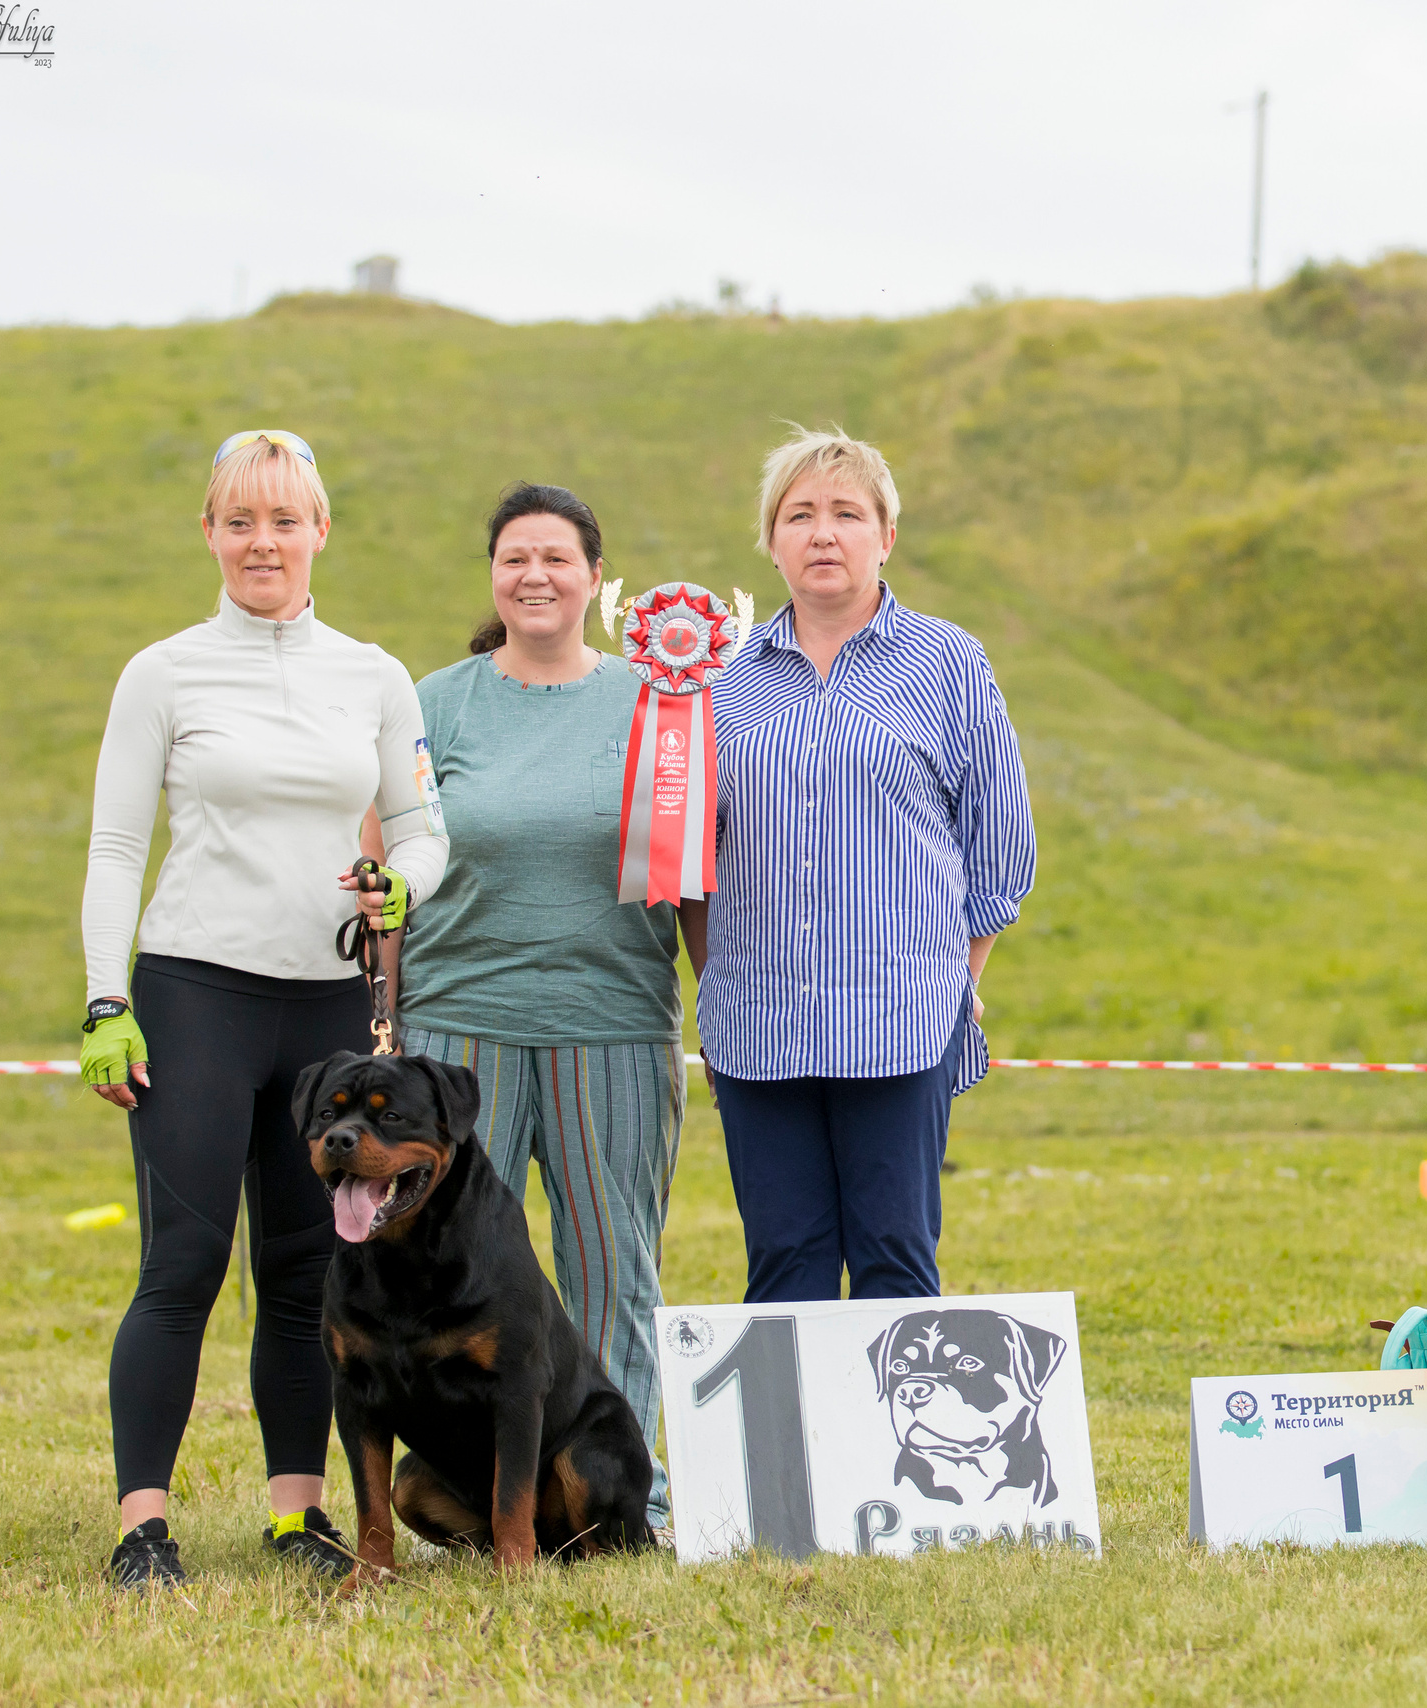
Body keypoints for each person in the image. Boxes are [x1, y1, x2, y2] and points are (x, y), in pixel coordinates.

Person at [78, 430, 448, 1590]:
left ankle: (298, 1515)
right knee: (182, 1263)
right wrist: (104, 997)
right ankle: (145, 1526)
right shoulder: (165, 671)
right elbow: (116, 844)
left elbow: (423, 828)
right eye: (239, 521)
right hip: (193, 993)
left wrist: (404, 885)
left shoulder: (374, 674)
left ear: (319, 532)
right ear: (209, 534)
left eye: (283, 521)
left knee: (307, 1273)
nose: (261, 542)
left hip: (329, 1007)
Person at [395, 483, 689, 1537]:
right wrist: (381, 1026)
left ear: (596, 578)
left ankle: (624, 1506)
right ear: (492, 575)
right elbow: (387, 863)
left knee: (614, 1271)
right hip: (455, 1028)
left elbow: (695, 867)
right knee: (440, 1283)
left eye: (557, 558)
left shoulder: (661, 701)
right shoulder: (436, 703)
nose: (535, 574)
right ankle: (474, 1499)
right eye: (514, 556)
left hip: (611, 1020)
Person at [691, 426, 1035, 1302]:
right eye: (799, 515)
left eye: (847, 513)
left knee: (895, 1259)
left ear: (886, 535)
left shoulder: (950, 663)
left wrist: (955, 980)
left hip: (901, 1024)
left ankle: (904, 1442)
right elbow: (686, 856)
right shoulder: (717, 677)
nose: (822, 533)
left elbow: (998, 852)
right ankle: (786, 1448)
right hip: (756, 1028)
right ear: (770, 542)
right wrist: (718, 974)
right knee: (783, 1264)